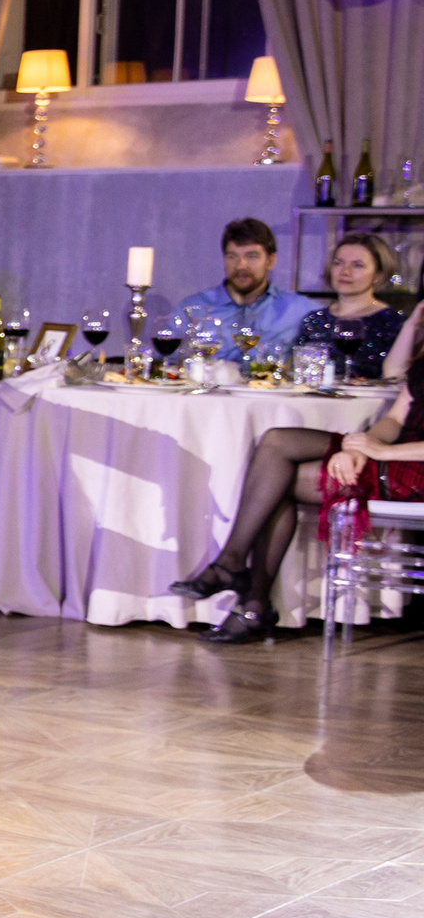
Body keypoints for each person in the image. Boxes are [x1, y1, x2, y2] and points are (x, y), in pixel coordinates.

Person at [171, 360, 424, 642]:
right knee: (277, 443)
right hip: (396, 455)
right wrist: (361, 448)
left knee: (280, 480)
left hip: (414, 467)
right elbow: (396, 419)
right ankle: (241, 581)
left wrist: (385, 453)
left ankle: (246, 592)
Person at [174, 218, 320, 361]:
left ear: (270, 261)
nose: (241, 266)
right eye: (232, 256)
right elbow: (166, 364)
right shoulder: (192, 309)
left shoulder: (297, 309)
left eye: (252, 256)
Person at [291, 234, 405, 378]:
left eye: (358, 265)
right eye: (338, 263)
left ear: (378, 275)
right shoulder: (314, 320)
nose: (345, 272)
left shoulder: (393, 323)